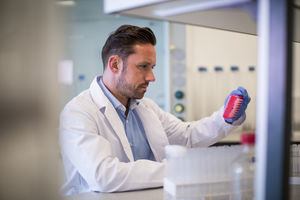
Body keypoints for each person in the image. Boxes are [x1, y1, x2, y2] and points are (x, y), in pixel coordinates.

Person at [59, 25, 251, 195]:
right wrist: (176, 169)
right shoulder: (79, 111)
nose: (151, 77)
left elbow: (187, 136)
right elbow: (103, 175)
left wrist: (225, 118)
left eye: (152, 67)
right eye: (143, 67)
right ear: (115, 64)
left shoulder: (145, 107)